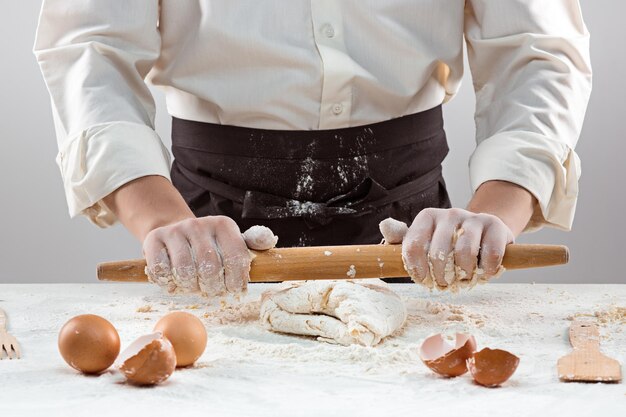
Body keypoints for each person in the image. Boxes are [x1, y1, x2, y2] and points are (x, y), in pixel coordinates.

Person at [33, 1, 591, 295]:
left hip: (422, 242)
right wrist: (159, 218)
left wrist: (491, 219)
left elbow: (537, 52)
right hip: (204, 230)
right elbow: (90, 48)